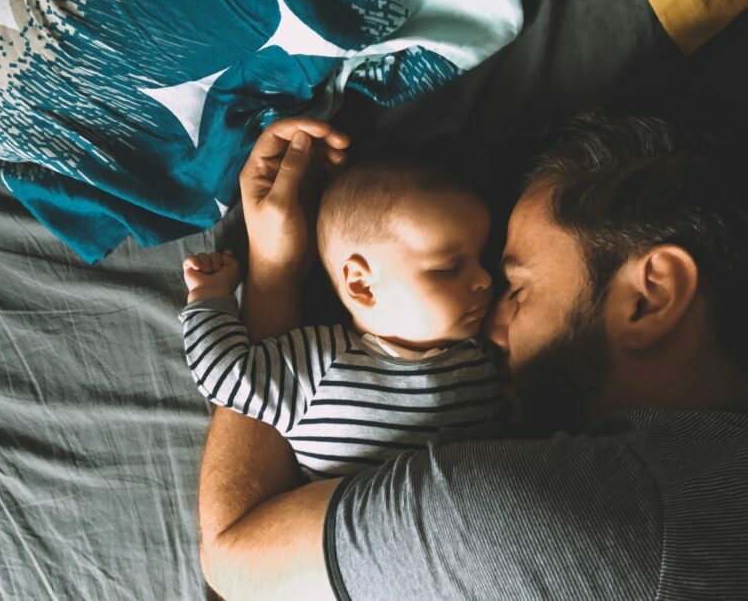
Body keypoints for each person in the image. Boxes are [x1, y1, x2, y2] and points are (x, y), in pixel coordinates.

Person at [195, 113, 748, 600]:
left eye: (518, 289)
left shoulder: (536, 516)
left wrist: (274, 274)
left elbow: (234, 563)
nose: (490, 324)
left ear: (650, 297)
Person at [180, 156, 502, 480]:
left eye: (481, 258)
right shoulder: (318, 365)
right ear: (362, 285)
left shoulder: (487, 356)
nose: (485, 279)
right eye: (448, 269)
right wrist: (210, 296)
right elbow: (227, 375)